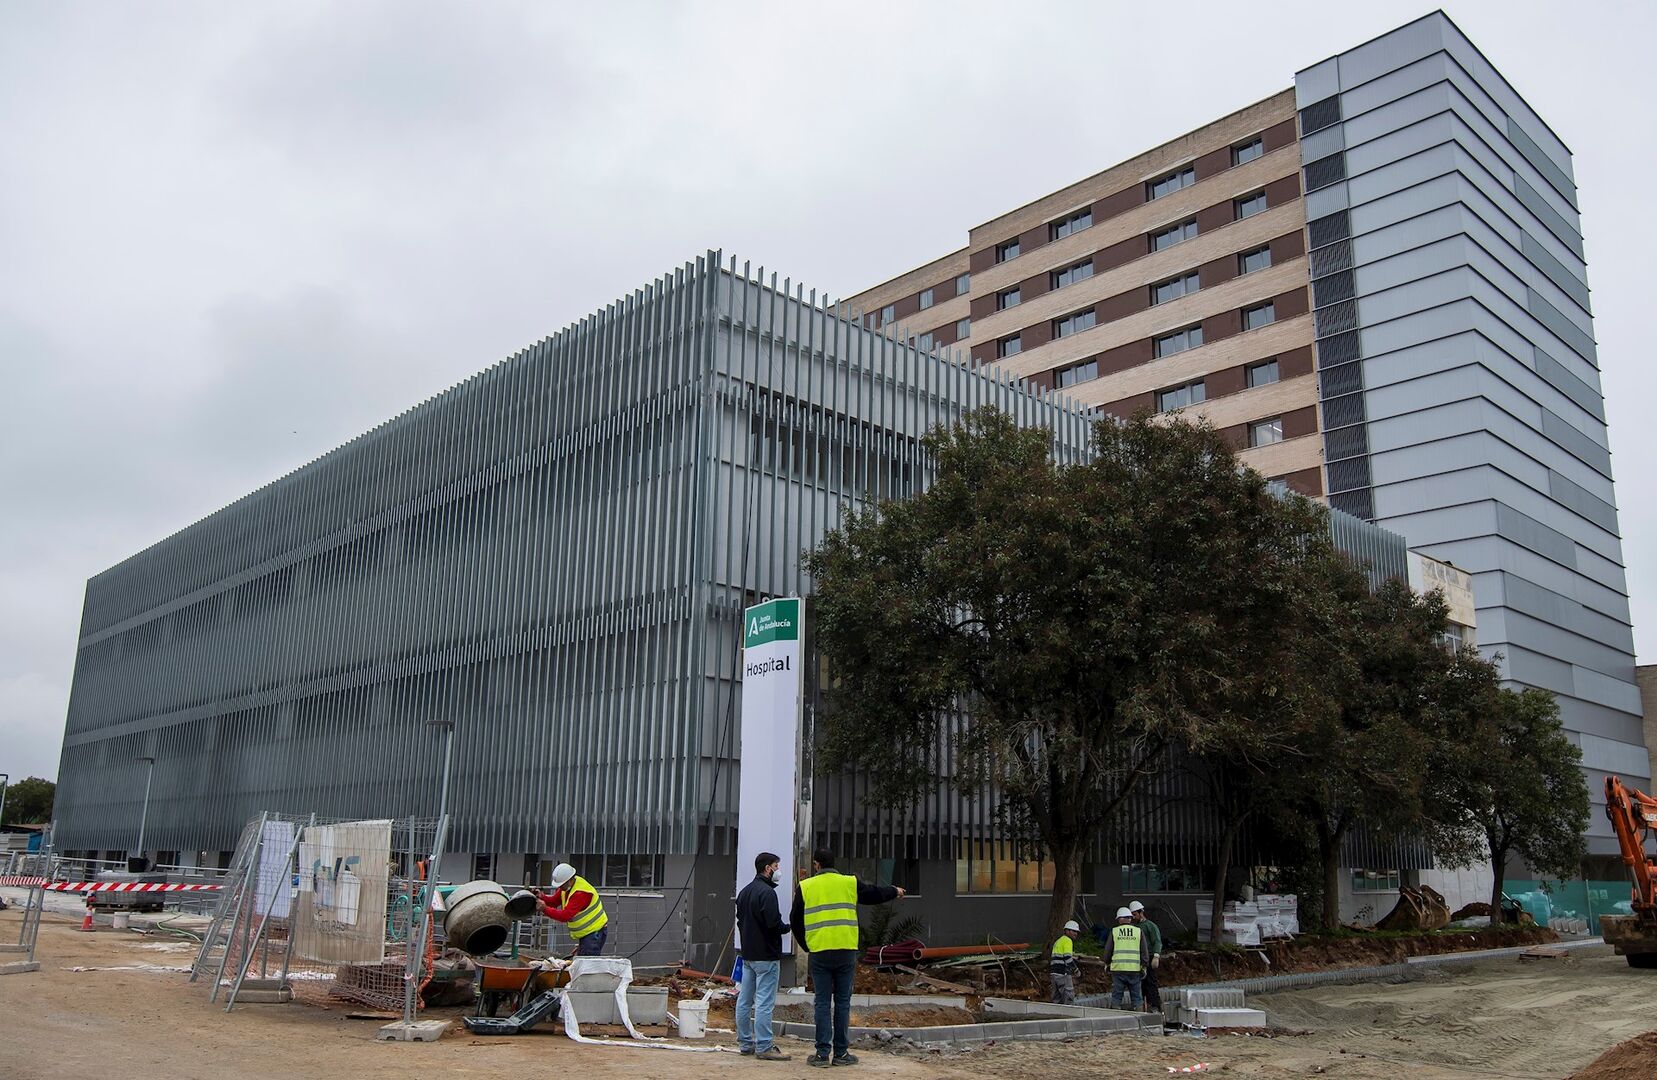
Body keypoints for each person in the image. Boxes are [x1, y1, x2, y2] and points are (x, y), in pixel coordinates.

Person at [790, 848, 905, 1067]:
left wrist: (807, 945)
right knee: (843, 1002)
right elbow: (874, 894)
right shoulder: (849, 883)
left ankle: (822, 1054)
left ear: (816, 865)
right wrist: (894, 890)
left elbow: (795, 921)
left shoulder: (805, 887)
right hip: (845, 951)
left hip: (820, 952)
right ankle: (841, 1054)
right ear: (834, 864)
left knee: (822, 1002)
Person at [735, 851, 791, 1061]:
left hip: (748, 954)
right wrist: (788, 928)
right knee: (764, 1002)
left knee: (744, 1000)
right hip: (767, 955)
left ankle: (745, 1043)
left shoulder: (745, 892)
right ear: (768, 868)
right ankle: (765, 1046)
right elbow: (773, 924)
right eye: (776, 866)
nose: (778, 871)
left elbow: (741, 920)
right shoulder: (768, 893)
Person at [535, 862, 608, 955]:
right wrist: (542, 897)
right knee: (583, 963)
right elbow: (554, 901)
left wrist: (544, 909)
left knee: (587, 966)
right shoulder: (567, 887)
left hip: (594, 933)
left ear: (569, 880)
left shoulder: (580, 893)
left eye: (561, 885)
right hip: (588, 933)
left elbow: (565, 916)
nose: (560, 888)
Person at [1104, 906, 1149, 1011]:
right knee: (1137, 997)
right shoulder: (1138, 931)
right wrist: (1144, 965)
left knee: (1116, 997)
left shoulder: (1114, 931)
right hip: (1135, 970)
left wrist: (1106, 962)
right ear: (1130, 918)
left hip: (1118, 970)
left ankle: (1116, 1018)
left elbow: (1108, 951)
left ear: (1120, 919)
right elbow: (1144, 951)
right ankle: (1140, 1019)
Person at [1129, 900, 1163, 1012]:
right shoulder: (1134, 927)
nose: (1133, 917)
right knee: (1140, 983)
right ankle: (1143, 1005)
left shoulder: (1150, 926)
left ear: (1141, 912)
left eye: (1135, 915)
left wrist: (1156, 956)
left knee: (1150, 982)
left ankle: (1154, 1005)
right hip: (1139, 959)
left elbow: (1157, 941)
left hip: (1149, 956)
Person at [1049, 919, 1081, 1004]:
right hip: (1063, 974)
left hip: (1054, 974)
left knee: (1056, 1000)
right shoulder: (1067, 941)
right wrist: (1076, 970)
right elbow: (1068, 959)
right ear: (1067, 931)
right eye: (1074, 931)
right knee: (1068, 999)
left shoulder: (1058, 941)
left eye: (1076, 932)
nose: (1076, 933)